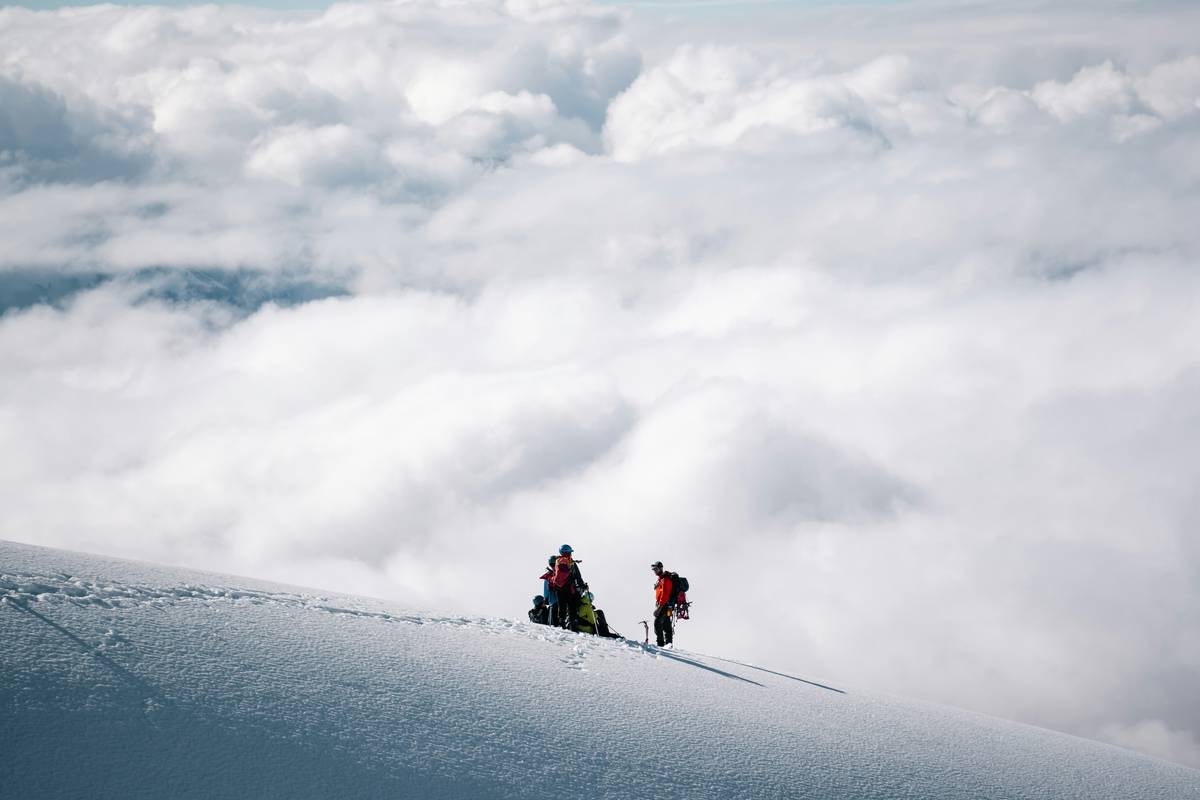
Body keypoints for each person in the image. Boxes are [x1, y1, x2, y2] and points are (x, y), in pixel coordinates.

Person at [550, 544, 587, 631]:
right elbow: (578, 576)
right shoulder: (572, 563)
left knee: (561, 606)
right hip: (569, 588)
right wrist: (582, 585)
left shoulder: (557, 561)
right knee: (571, 606)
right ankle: (572, 625)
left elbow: (555, 574)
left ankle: (562, 624)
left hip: (559, 588)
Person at [651, 560, 674, 647]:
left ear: (661, 568)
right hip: (668, 606)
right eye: (654, 569)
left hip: (664, 605)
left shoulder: (665, 579)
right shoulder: (661, 579)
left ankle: (660, 644)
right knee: (667, 624)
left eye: (656, 569)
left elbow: (665, 595)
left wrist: (659, 607)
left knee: (657, 623)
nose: (655, 571)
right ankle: (668, 644)